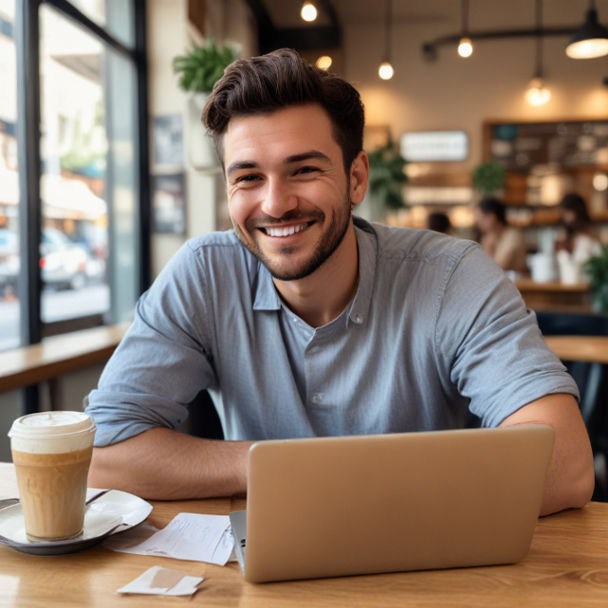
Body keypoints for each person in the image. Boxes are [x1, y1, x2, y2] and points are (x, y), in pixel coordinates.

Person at [86, 49, 593, 515]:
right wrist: (283, 465)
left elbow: (565, 465)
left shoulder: (450, 276)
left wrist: (316, 474)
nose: (275, 203)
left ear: (356, 179)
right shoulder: (203, 274)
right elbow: (103, 456)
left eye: (303, 169)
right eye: (248, 177)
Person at [555, 192, 602, 282]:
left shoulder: (590, 238)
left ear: (577, 212)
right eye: (564, 212)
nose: (565, 216)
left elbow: (598, 267)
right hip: (565, 287)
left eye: (568, 212)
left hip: (587, 289)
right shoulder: (562, 236)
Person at [474, 197, 528, 275]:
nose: (478, 223)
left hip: (517, 285)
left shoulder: (513, 236)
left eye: (480, 218)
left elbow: (497, 269)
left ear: (491, 218)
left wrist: (489, 248)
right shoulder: (488, 237)